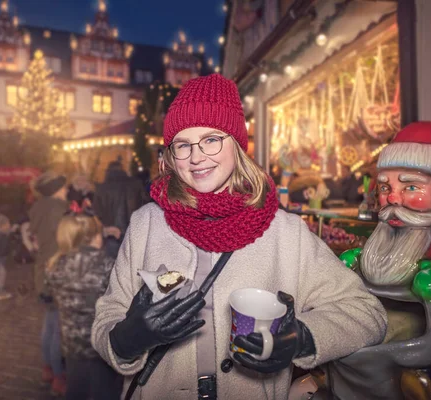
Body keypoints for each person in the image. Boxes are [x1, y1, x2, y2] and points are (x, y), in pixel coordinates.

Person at [91, 74, 387, 399]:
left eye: (211, 139)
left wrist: (302, 338)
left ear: (236, 143)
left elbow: (366, 312)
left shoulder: (284, 232)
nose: (196, 156)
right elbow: (108, 315)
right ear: (171, 155)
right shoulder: (146, 223)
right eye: (183, 144)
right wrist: (124, 340)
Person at [337, 121, 431, 399]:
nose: (393, 198)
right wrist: (360, 261)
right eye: (384, 187)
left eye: (412, 187)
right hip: (389, 319)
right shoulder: (393, 227)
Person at [45, 212, 122, 400]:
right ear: (97, 236)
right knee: (105, 392)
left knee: (76, 390)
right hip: (102, 344)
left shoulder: (54, 264)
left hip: (72, 344)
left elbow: (52, 297)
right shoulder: (107, 264)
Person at [28, 171, 69, 396]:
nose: (66, 191)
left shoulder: (38, 207)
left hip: (42, 270)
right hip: (57, 270)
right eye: (63, 187)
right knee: (58, 328)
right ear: (55, 189)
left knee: (50, 321)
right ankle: (58, 375)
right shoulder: (57, 209)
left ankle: (47, 367)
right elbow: (68, 239)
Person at [93, 159, 149, 258]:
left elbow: (97, 213)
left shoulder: (102, 189)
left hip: (111, 233)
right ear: (123, 170)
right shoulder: (136, 185)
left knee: (111, 266)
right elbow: (146, 205)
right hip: (133, 232)